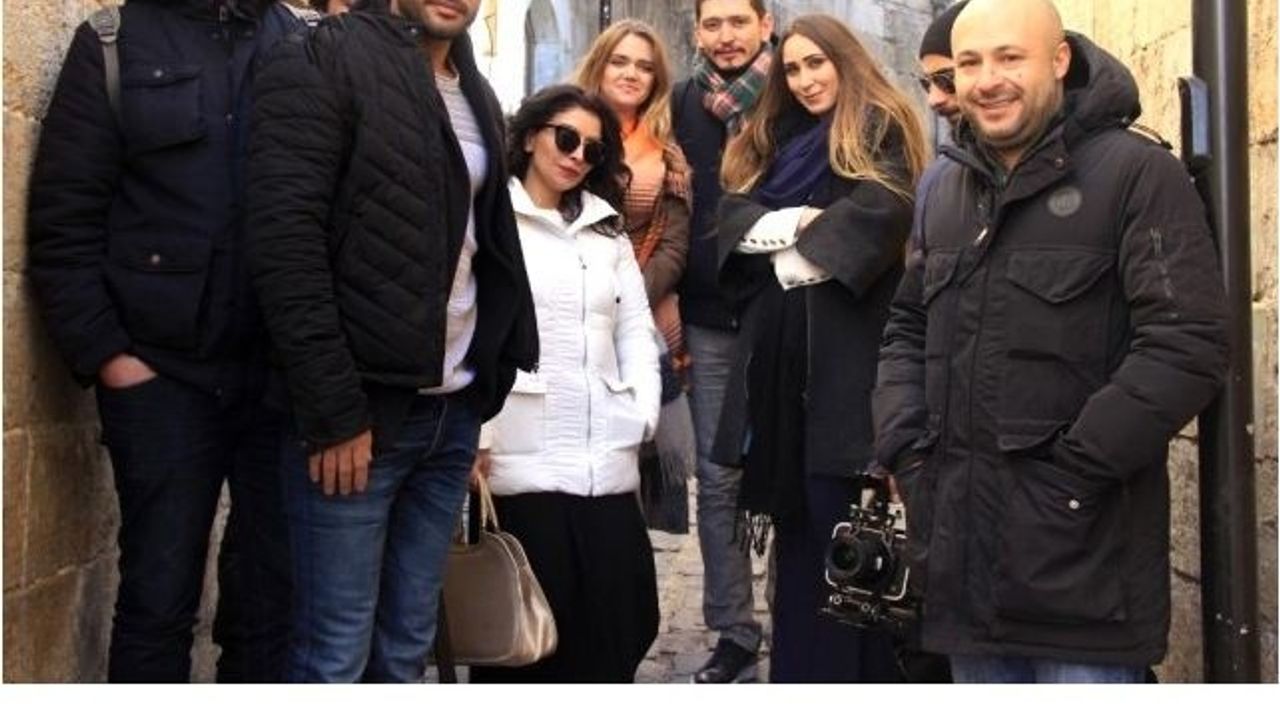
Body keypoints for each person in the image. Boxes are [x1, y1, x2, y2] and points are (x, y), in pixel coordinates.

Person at [872, 0, 1229, 684]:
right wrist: (907, 451)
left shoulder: (1136, 175)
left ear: (1059, 60)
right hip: (961, 579)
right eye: (970, 63)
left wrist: (1067, 480)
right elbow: (907, 329)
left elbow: (1187, 344)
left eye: (1010, 57)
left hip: (1083, 581)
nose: (987, 80)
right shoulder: (946, 188)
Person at [246, 0, 538, 682]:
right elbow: (285, 246)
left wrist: (482, 390)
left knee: (407, 647)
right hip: (359, 420)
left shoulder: (472, 86)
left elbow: (482, 243)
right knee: (334, 654)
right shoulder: (321, 58)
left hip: (451, 414)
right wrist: (333, 413)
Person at [24, 0, 312, 683]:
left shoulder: (302, 46)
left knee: (272, 605)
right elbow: (64, 220)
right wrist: (109, 357)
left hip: (277, 382)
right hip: (162, 380)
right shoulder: (113, 41)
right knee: (158, 601)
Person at [715, 13, 928, 683]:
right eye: (793, 68)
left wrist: (776, 241)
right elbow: (731, 224)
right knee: (802, 565)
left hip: (848, 387)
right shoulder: (773, 141)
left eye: (817, 63)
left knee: (854, 570)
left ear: (845, 60)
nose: (806, 80)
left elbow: (870, 231)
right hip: (783, 396)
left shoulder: (882, 131)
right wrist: (803, 223)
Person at [469, 84, 662, 683]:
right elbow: (470, 325)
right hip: (522, 455)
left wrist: (643, 410)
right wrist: (477, 431)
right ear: (531, 136)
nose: (577, 155)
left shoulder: (607, 232)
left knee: (624, 618)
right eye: (567, 138)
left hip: (605, 455)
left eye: (593, 150)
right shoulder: (490, 217)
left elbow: (635, 328)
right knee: (527, 637)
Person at [671, 0, 774, 683]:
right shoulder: (683, 102)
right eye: (713, 24)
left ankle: (798, 618)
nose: (726, 36)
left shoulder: (796, 90)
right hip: (709, 315)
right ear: (697, 31)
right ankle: (734, 630)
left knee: (789, 470)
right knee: (716, 479)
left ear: (766, 24)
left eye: (739, 21)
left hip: (785, 314)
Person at [573, 19, 695, 534]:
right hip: (568, 305)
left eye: (644, 67)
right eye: (619, 61)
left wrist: (623, 302)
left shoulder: (668, 154)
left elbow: (674, 245)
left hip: (645, 313)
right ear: (598, 66)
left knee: (631, 467)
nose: (631, 74)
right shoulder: (566, 133)